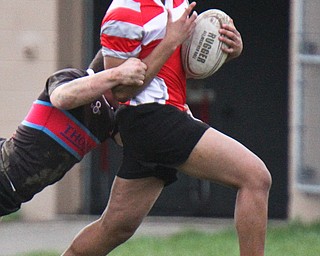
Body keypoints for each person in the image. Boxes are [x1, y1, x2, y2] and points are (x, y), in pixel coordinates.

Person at [62, 1, 271, 256]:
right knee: (255, 178)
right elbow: (121, 91)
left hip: (165, 115)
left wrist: (228, 49)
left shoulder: (175, 3)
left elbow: (179, 70)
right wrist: (170, 40)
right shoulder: (123, 14)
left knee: (116, 228)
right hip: (151, 118)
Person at [0, 50, 147, 217]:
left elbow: (136, 142)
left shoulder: (111, 119)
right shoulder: (73, 78)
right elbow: (61, 98)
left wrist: (173, 111)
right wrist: (117, 75)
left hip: (11, 194)